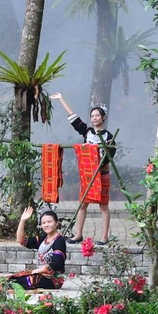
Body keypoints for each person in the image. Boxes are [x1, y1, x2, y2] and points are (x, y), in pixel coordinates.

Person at [50, 92, 116, 244]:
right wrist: (61, 99)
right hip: (88, 174)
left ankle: (104, 237)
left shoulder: (109, 137)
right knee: (82, 204)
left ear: (103, 118)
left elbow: (110, 155)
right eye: (92, 116)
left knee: (103, 206)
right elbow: (73, 118)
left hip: (102, 172)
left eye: (97, 115)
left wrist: (98, 149)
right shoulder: (87, 132)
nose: (94, 118)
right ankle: (78, 234)